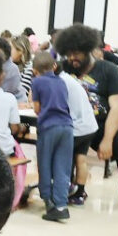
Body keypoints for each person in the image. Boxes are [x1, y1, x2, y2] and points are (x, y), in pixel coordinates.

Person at [56, 23, 118, 212]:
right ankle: (67, 189)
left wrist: (107, 139)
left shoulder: (109, 70)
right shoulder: (63, 68)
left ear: (89, 49)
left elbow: (117, 107)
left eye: (77, 53)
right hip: (71, 125)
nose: (72, 58)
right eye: (69, 54)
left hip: (101, 124)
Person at [31, 52, 73, 222]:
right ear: (54, 66)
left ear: (35, 71)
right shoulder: (62, 81)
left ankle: (48, 202)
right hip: (67, 127)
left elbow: (37, 108)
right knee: (62, 167)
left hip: (48, 127)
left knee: (45, 164)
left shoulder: (37, 82)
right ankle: (62, 205)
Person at [59, 60, 99, 206]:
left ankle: (65, 190)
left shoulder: (60, 81)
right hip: (89, 126)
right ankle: (80, 194)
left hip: (76, 128)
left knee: (65, 159)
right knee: (81, 159)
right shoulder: (71, 80)